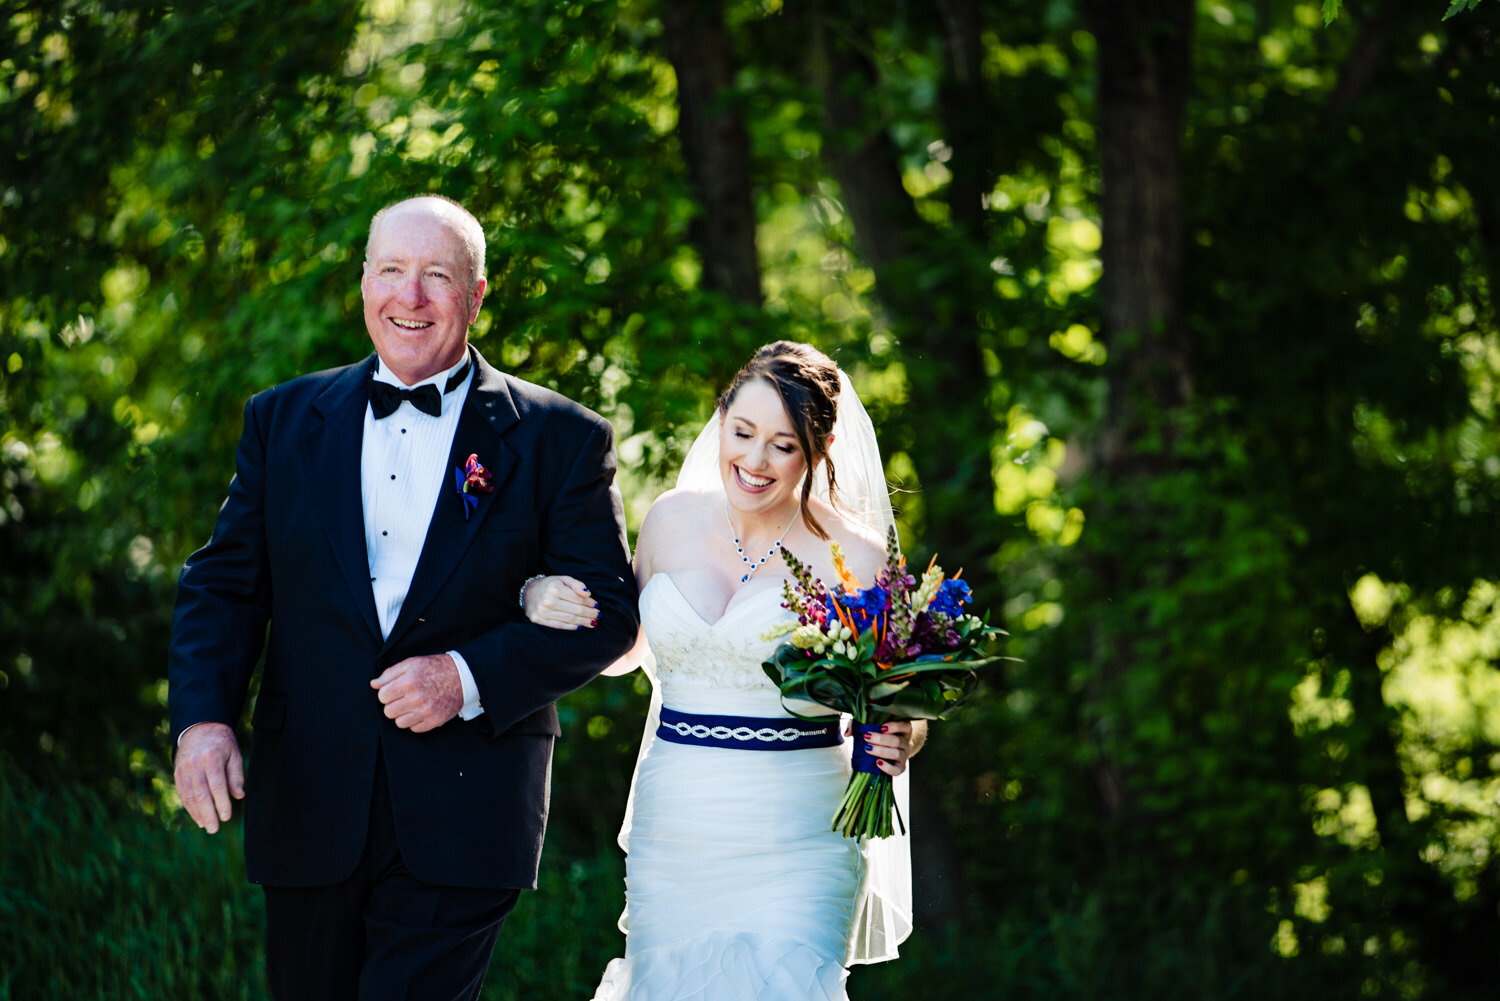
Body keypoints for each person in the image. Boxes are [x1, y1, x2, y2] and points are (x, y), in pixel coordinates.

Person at [167, 194, 639, 1001]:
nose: (409, 297)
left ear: (477, 296)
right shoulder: (281, 421)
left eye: (436, 277)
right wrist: (202, 718)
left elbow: (610, 614)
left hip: (467, 807)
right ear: (363, 282)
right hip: (310, 797)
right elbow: (224, 585)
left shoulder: (562, 437)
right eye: (391, 271)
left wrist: (465, 675)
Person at [522, 341, 921, 999]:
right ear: (722, 418)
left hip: (800, 834)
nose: (754, 460)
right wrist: (544, 596)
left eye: (782, 444)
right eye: (743, 432)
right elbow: (625, 651)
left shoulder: (856, 554)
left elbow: (898, 702)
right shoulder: (669, 519)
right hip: (676, 824)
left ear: (816, 450)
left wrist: (902, 736)